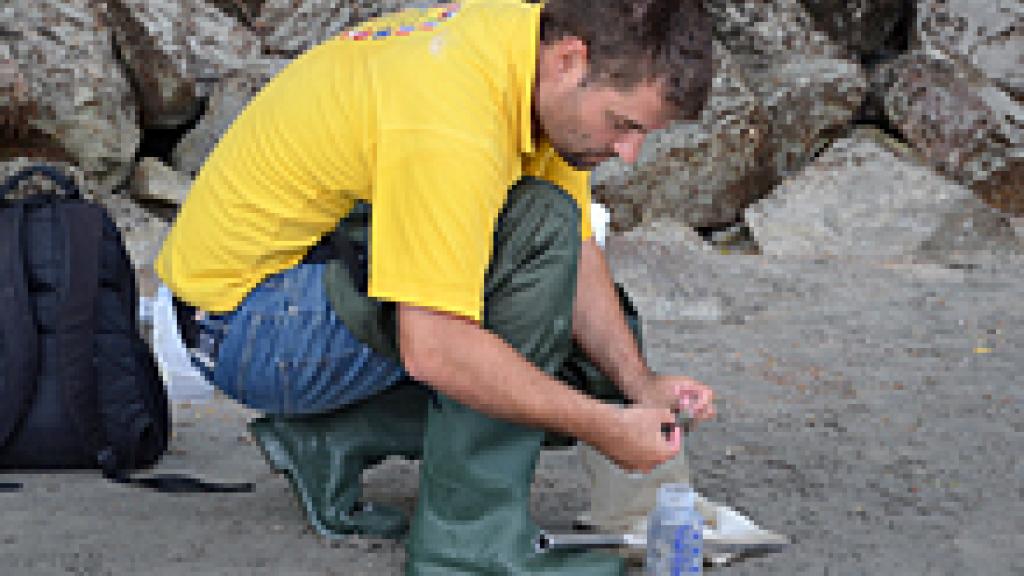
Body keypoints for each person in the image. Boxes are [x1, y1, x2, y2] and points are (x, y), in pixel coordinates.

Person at [156, 0, 715, 573]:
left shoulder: (533, 55)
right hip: (250, 323)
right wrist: (603, 425)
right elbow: (435, 347)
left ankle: (335, 439)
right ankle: (468, 549)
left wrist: (638, 386)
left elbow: (577, 258)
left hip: (304, 275)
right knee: (531, 252)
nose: (629, 153)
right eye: (623, 125)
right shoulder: (452, 111)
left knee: (572, 321)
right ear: (571, 60)